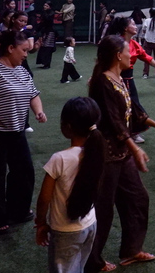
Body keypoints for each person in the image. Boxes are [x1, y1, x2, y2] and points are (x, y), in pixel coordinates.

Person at [85, 36, 155, 271]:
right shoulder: (102, 82)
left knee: (137, 198)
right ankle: (92, 261)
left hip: (121, 153)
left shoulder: (118, 78)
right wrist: (135, 148)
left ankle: (131, 250)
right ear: (118, 55)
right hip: (105, 154)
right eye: (129, 52)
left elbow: (132, 111)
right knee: (103, 209)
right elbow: (115, 121)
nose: (132, 56)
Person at [0, 30, 47, 235]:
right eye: (24, 50)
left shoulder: (22, 71)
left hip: (16, 130)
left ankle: (18, 211)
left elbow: (33, 94)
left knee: (24, 172)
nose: (26, 55)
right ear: (10, 48)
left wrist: (38, 111)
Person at [35, 97, 104, 273]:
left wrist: (41, 223)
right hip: (90, 224)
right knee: (78, 266)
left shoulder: (59, 159)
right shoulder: (97, 151)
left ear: (68, 127)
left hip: (65, 230)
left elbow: (44, 198)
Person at [113, 16, 155, 143]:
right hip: (116, 78)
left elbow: (146, 57)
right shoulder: (116, 43)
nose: (135, 26)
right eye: (133, 24)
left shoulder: (134, 44)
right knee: (122, 106)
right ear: (126, 28)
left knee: (133, 105)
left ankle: (132, 132)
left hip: (128, 79)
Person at [141, 8, 155, 79]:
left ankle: (145, 73)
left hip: (148, 42)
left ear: (150, 13)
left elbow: (144, 30)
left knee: (147, 58)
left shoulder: (147, 21)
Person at [37, 2, 57, 69]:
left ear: (49, 7)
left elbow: (47, 20)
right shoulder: (44, 13)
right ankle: (45, 63)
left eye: (46, 5)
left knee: (48, 48)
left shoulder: (51, 13)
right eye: (44, 5)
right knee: (44, 47)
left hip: (50, 32)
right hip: (45, 31)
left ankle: (47, 64)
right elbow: (42, 23)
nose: (44, 6)